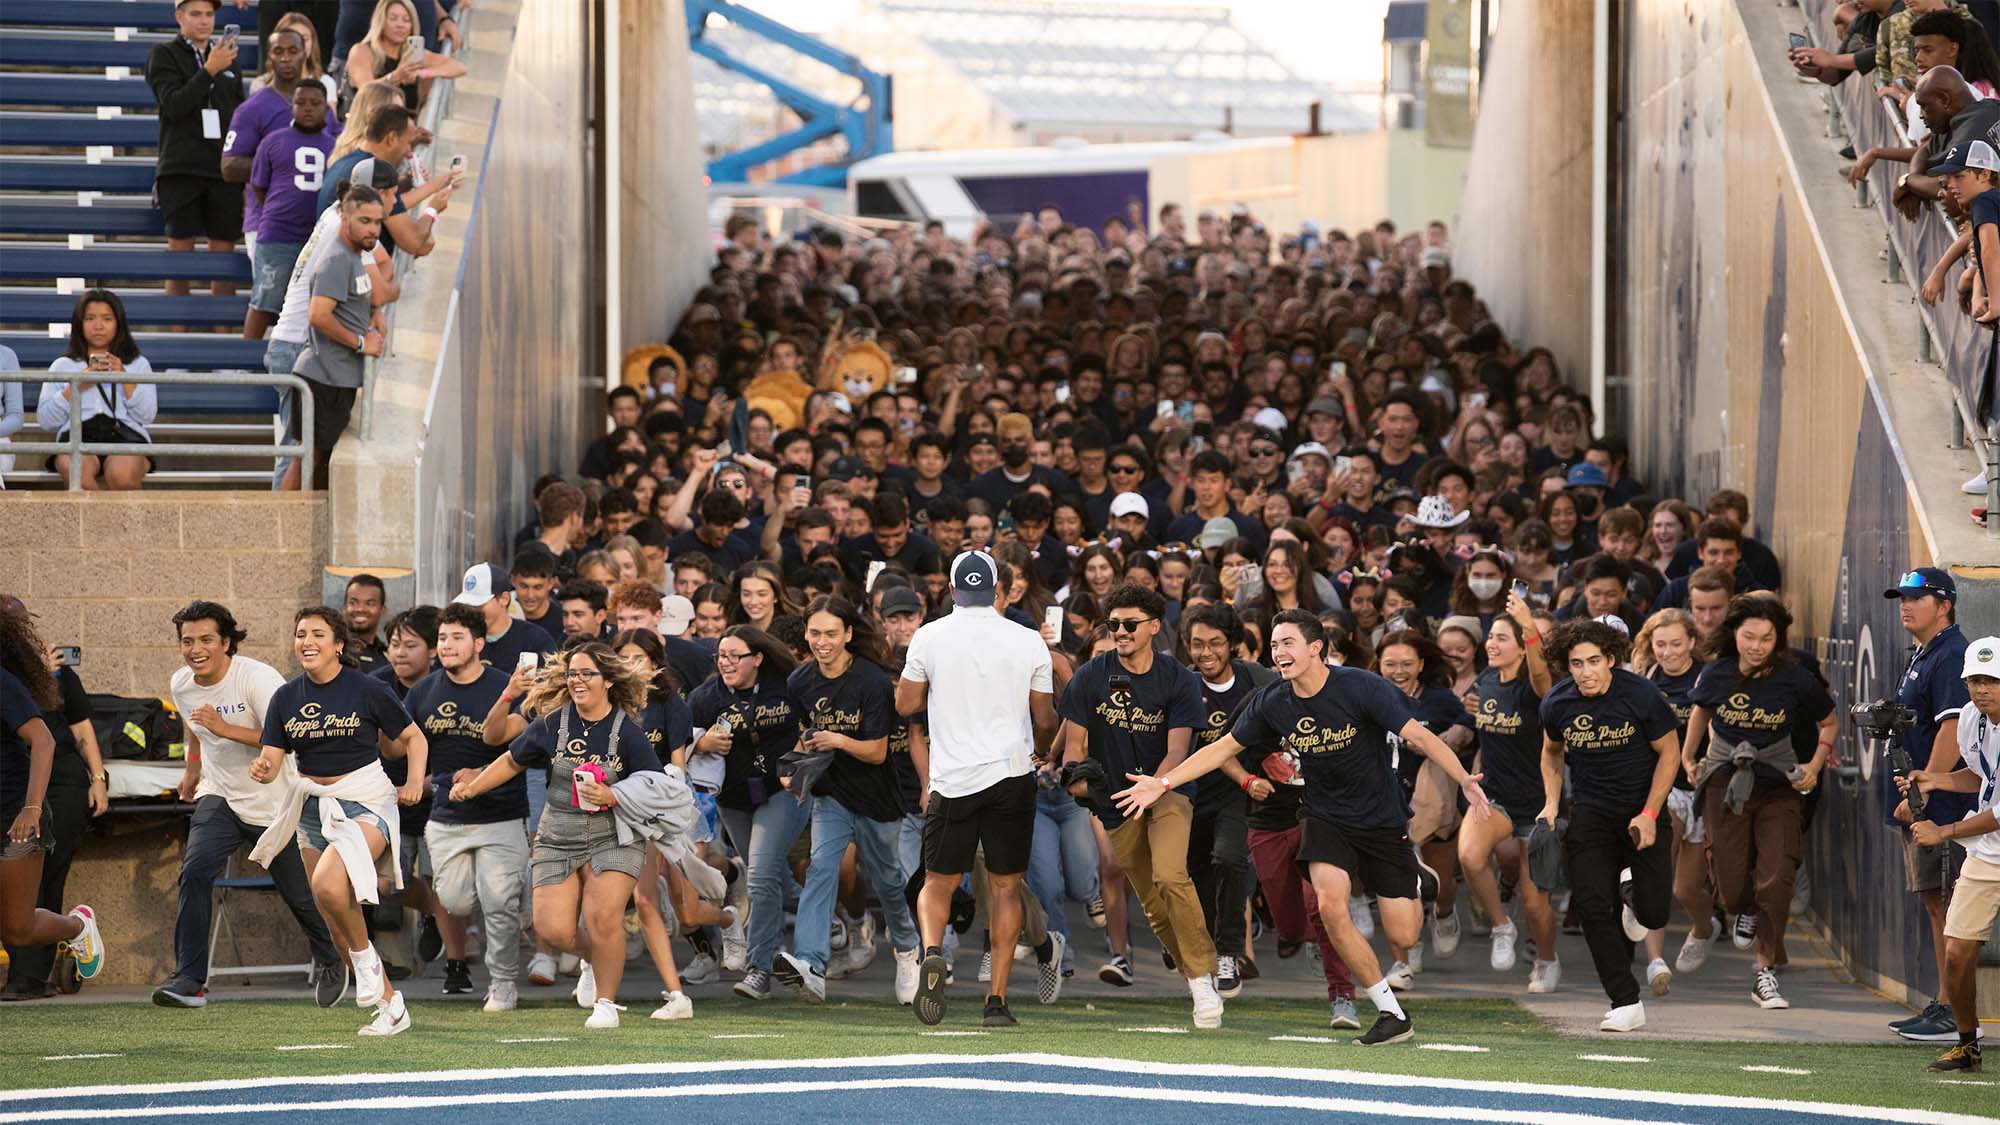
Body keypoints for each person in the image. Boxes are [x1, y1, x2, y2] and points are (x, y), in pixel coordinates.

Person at [1114, 610, 1490, 1046]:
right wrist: (1161, 783)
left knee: (1404, 933)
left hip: (1381, 820)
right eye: (1274, 645)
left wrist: (1463, 778)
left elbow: (1421, 738)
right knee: (1331, 907)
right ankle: (1391, 1014)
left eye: (1288, 643)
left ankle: (1417, 879)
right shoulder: (1273, 700)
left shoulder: (1360, 686)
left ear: (1316, 648)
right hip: (1324, 816)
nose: (1279, 652)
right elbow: (1221, 749)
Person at [450, 642, 662, 1029]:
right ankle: (592, 959)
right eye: (572, 674)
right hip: (558, 832)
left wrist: (613, 793)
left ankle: (606, 1004)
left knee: (603, 916)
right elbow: (511, 761)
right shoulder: (551, 724)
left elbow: (653, 784)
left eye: (586, 674)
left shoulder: (628, 732)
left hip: (614, 834)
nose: (577, 681)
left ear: (609, 681)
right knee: (554, 931)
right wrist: (473, 787)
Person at [248, 605, 427, 1037]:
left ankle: (366, 967)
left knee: (329, 883)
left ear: (339, 645)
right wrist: (265, 769)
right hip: (312, 804)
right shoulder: (286, 697)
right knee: (329, 905)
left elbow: (412, 737)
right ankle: (390, 1005)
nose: (306, 642)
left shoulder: (367, 688)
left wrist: (415, 782)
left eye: (317, 635)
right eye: (300, 634)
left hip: (365, 799)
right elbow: (273, 756)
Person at [899, 550, 1060, 1027]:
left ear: (951, 591)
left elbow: (906, 702)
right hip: (1011, 775)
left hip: (953, 779)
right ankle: (997, 1001)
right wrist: (1044, 749)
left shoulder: (929, 636)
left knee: (938, 881)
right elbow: (1045, 717)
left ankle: (933, 951)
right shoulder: (1028, 639)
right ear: (996, 592)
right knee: (1006, 887)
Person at [156, 601, 342, 1009]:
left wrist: (225, 727)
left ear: (227, 643)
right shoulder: (182, 684)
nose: (195, 649)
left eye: (205, 640)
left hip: (276, 802)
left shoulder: (258, 679)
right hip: (220, 795)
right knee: (195, 872)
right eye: (187, 641)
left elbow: (288, 736)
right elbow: (196, 727)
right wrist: (192, 769)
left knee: (301, 896)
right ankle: (189, 979)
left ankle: (333, 959)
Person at [1058, 583, 1223, 1029]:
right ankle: (1195, 972)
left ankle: (1203, 980)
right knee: (1151, 903)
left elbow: (1178, 749)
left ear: (1154, 626)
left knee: (1171, 875)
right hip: (1114, 799)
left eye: (1130, 624)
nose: (1121, 632)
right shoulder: (1090, 675)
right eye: (1113, 625)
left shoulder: (1179, 679)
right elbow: (1073, 745)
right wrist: (1076, 777)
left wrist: (1158, 784)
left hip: (1169, 791)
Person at [1684, 596, 1835, 1012]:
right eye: (1749, 636)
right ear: (1734, 634)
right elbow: (1701, 712)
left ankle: (1764, 972)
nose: (1757, 645)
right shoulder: (1716, 673)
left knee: (1777, 877)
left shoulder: (1795, 677)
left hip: (1778, 786)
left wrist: (1816, 763)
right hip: (1725, 783)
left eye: (1766, 638)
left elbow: (1830, 720)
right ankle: (1743, 908)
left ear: (1778, 639)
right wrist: (1688, 757)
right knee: (1731, 885)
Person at [773, 597, 922, 1006]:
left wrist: (837, 739)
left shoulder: (872, 681)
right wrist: (795, 768)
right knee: (822, 868)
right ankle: (811, 964)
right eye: (815, 633)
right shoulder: (799, 683)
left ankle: (908, 951)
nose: (822, 641)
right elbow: (803, 737)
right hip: (831, 794)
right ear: (805, 635)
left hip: (878, 797)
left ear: (849, 635)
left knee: (890, 882)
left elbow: (876, 752)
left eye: (831, 634)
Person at [1537, 619, 1681, 1033]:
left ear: (1611, 660)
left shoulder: (1641, 694)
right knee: (1593, 907)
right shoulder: (1557, 702)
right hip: (1591, 813)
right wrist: (1551, 803)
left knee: (1653, 913)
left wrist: (1651, 814)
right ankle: (1625, 1001)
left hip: (1642, 810)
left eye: (1594, 661)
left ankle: (1632, 891)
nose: (1585, 671)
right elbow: (1550, 753)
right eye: (1576, 663)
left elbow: (1669, 755)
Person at [407, 604, 528, 1013]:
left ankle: (503, 982)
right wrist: (415, 780)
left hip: (502, 814)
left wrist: (480, 773)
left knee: (496, 902)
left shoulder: (504, 686)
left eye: (456, 637)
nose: (446, 646)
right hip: (445, 816)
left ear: (479, 643)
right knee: (456, 902)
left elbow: (521, 747)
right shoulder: (422, 691)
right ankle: (508, 891)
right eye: (441, 638)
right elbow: (409, 744)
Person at [687, 627, 807, 1000]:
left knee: (760, 875)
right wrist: (701, 742)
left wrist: (802, 756)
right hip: (733, 796)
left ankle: (759, 967)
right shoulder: (706, 697)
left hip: (780, 790)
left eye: (735, 655)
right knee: (767, 875)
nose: (725, 662)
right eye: (721, 655)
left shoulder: (787, 686)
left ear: (757, 658)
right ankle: (813, 910)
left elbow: (815, 722)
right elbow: (676, 740)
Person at [1882, 568, 1976, 1042]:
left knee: (1946, 905)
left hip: (1941, 806)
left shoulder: (1952, 653)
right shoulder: (1926, 651)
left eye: (1918, 597)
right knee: (1937, 903)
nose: (1906, 604)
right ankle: (1944, 1000)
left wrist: (1923, 793)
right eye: (1903, 596)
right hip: (1925, 800)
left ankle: (1950, 1008)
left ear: (1945, 605)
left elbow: (1952, 729)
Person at [1899, 636, 2000, 1073]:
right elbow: (1981, 778)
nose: (1981, 689)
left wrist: (1944, 831)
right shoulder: (1972, 719)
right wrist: (1935, 779)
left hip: (1986, 836)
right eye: (1974, 681)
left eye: (1991, 680)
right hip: (1989, 853)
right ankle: (1966, 1044)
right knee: (1958, 952)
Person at [0, 604, 106, 992]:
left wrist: (30, 808)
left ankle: (79, 926)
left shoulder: (4, 682)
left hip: (14, 813)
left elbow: (43, 740)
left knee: (18, 928)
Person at [1456, 594, 1556, 990]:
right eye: (1491, 637)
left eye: (1501, 638)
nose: (1491, 644)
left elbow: (1542, 676)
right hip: (1493, 795)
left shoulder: (1535, 688)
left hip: (1536, 805)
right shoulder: (1485, 682)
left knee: (1536, 903)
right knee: (1469, 856)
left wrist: (1528, 623)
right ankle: (1501, 925)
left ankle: (1547, 960)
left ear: (1522, 645)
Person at [1177, 603, 1273, 999]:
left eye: (1215, 643)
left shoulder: (1258, 680)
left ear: (1233, 644)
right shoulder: (1182, 684)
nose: (1206, 652)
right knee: (1196, 875)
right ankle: (1203, 953)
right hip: (1189, 794)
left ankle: (1230, 952)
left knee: (1230, 859)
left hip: (1237, 794)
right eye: (1197, 644)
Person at [145, 0, 248, 299]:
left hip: (222, 170)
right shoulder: (163, 54)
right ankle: (176, 337)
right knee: (180, 259)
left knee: (223, 257)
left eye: (209, 14)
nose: (204, 21)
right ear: (179, 17)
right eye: (195, 14)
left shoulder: (228, 59)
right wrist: (209, 70)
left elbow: (239, 116)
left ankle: (223, 337)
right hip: (182, 168)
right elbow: (174, 105)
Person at [291, 183, 387, 487]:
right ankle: (280, 527)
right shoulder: (336, 259)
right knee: (307, 460)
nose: (373, 229)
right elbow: (319, 315)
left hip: (338, 378)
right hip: (322, 377)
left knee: (321, 465)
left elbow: (351, 303)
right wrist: (361, 342)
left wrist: (371, 316)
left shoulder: (354, 257)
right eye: (365, 221)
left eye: (378, 222)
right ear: (345, 219)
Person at [243, 77, 340, 340]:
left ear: (326, 108)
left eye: (315, 103)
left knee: (310, 303)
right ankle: (243, 365)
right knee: (265, 300)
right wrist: (277, 215)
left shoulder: (334, 146)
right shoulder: (273, 141)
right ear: (291, 106)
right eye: (300, 103)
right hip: (278, 236)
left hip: (317, 237)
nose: (307, 108)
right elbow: (259, 186)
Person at [37, 290, 157, 491]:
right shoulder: (62, 365)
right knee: (77, 472)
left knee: (122, 475)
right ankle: (102, 523)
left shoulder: (138, 364)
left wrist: (124, 377)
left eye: (107, 319)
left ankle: (114, 522)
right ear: (79, 324)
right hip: (77, 436)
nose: (98, 326)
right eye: (90, 318)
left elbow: (147, 415)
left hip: (124, 437)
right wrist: (77, 386)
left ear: (118, 323)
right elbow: (46, 421)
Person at [342, 0, 465, 112]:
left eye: (406, 20)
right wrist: (395, 77)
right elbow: (365, 89)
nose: (400, 25)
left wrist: (422, 73)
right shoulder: (362, 51)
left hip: (403, 129)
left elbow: (459, 68)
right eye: (393, 18)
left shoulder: (413, 54)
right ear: (381, 21)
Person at [454, 562, 549, 673]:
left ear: (504, 599)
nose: (472, 611)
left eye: (479, 605)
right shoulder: (457, 638)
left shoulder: (535, 640)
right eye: (467, 604)